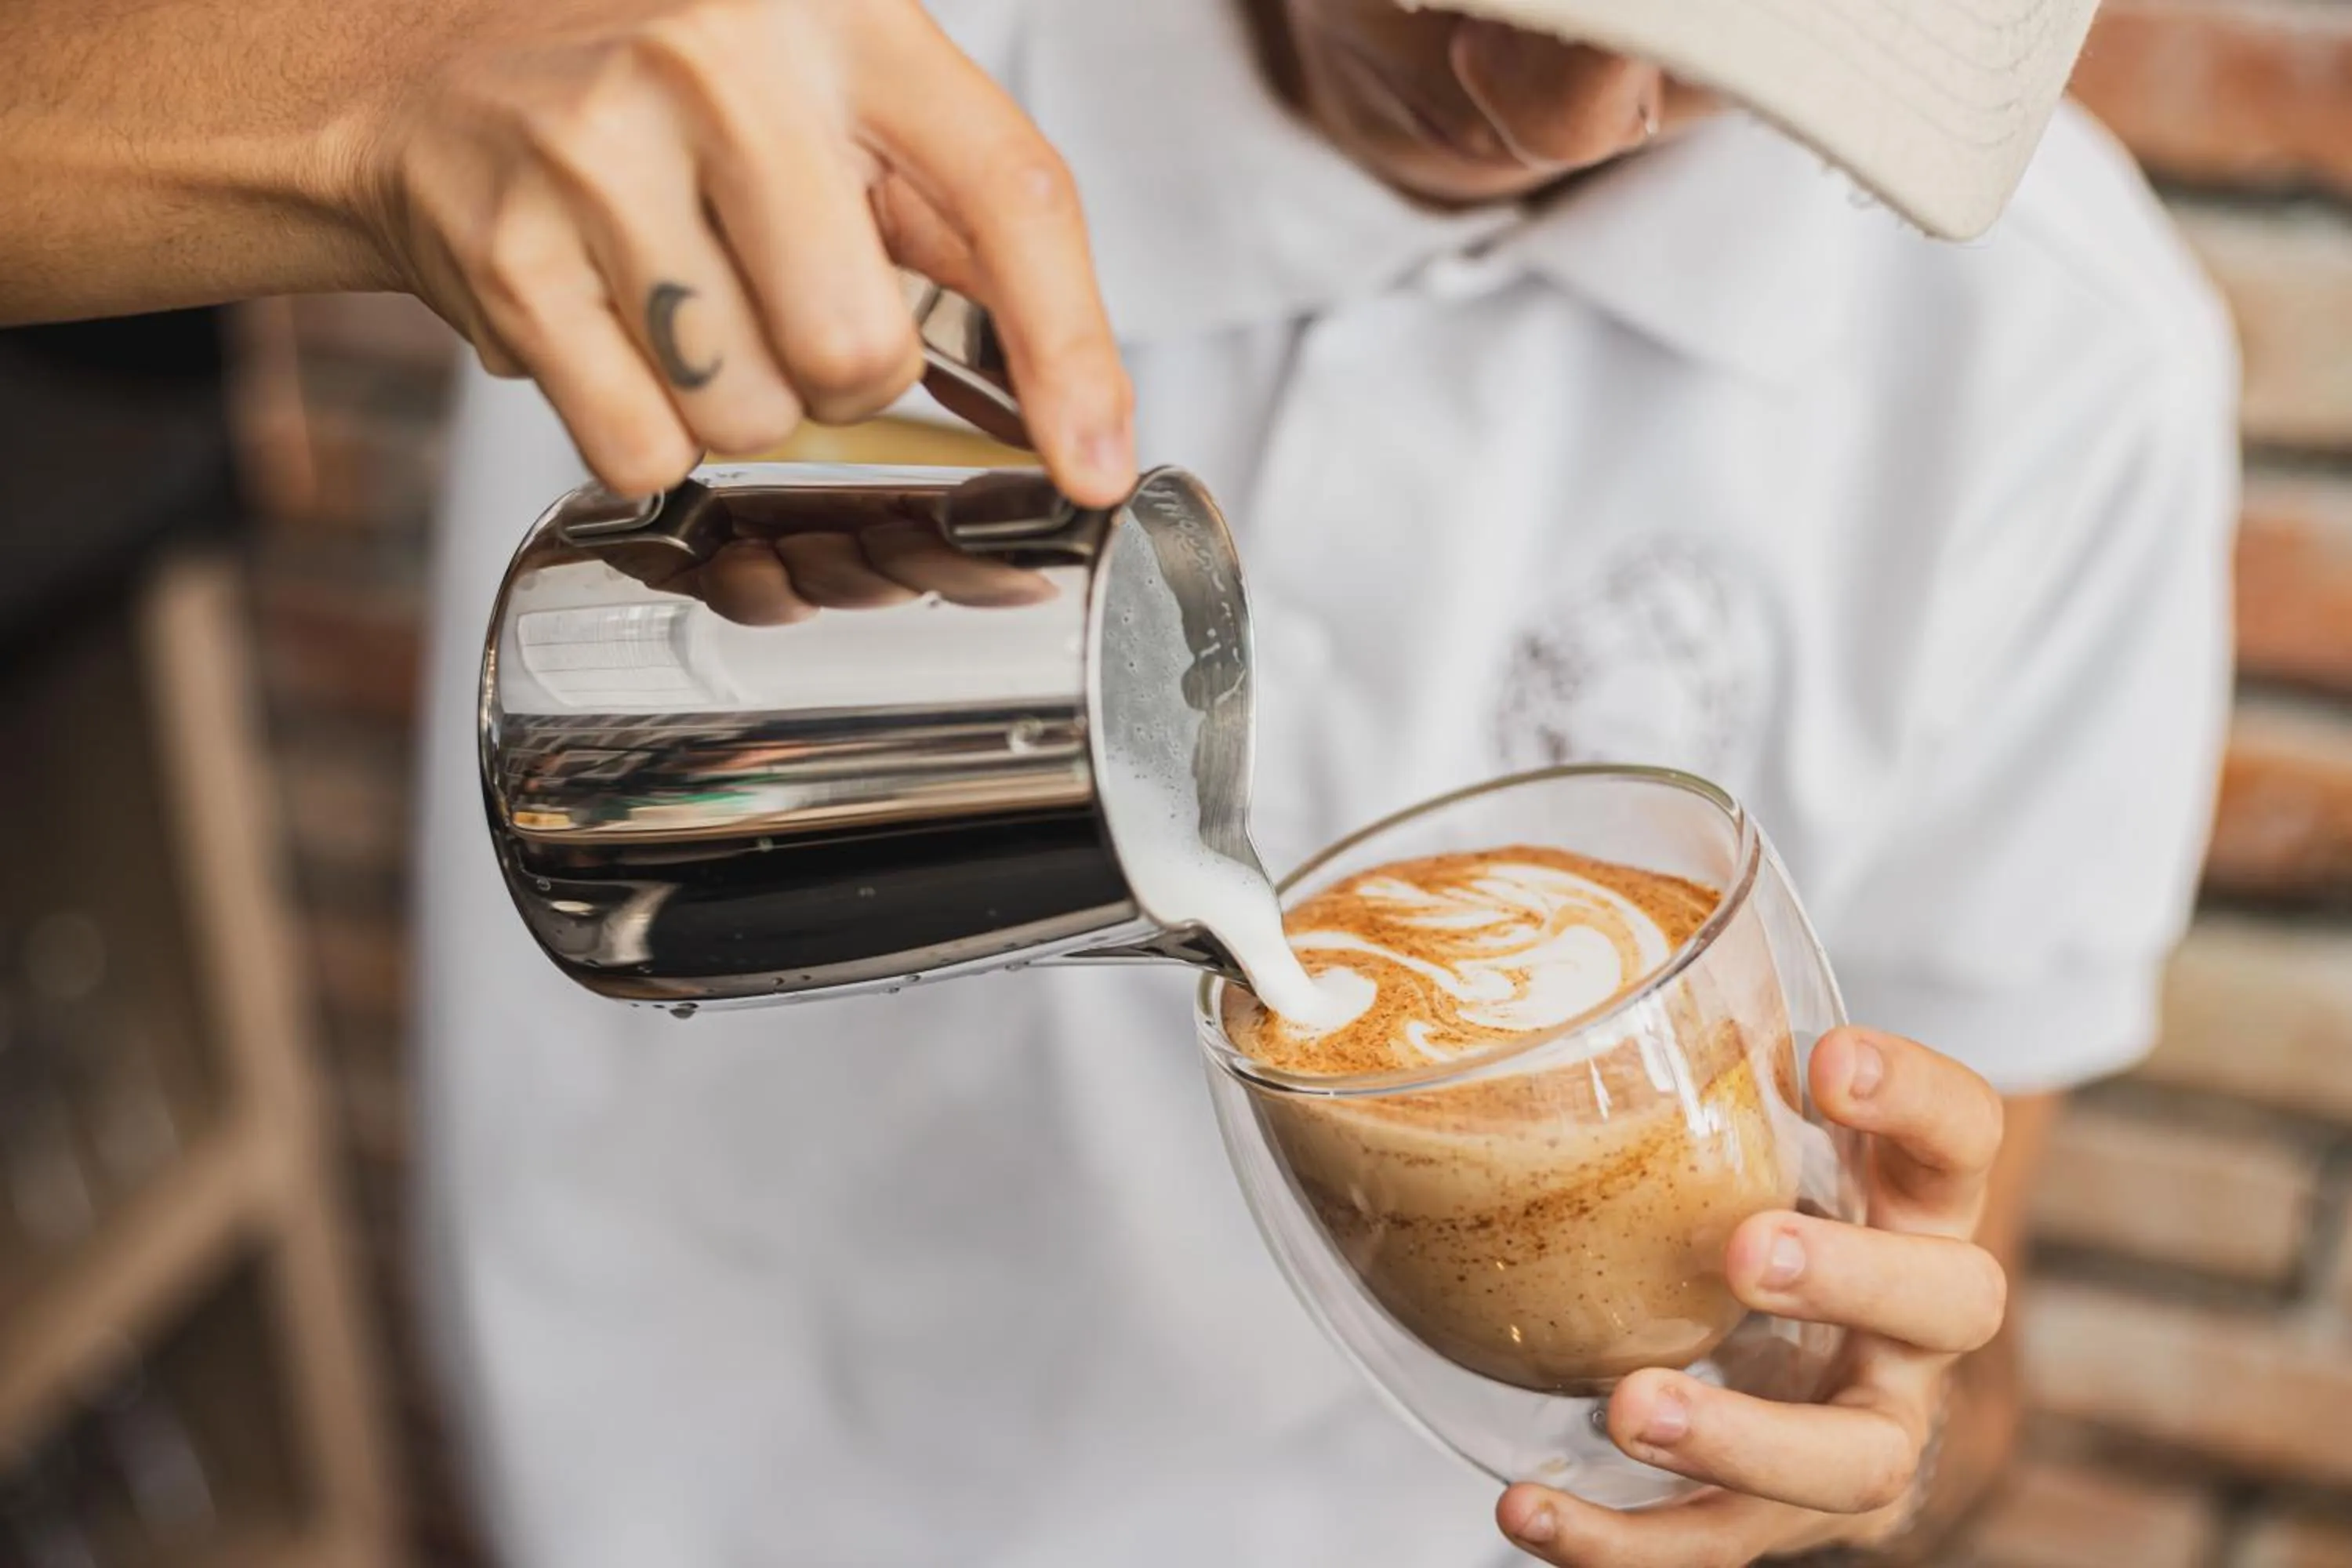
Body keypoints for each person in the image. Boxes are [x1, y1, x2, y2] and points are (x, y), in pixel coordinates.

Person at [3, 0, 2238, 1563]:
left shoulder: (2051, 369)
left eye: (1748, 38)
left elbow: (1936, 1344)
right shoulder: (805, 30)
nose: (1550, 94)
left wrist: (1869, 1437)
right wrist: (367, 95)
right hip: (642, 1473)